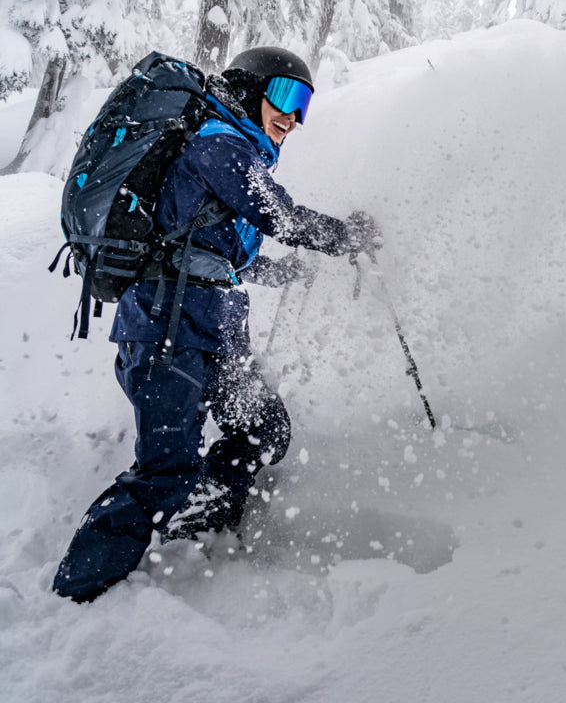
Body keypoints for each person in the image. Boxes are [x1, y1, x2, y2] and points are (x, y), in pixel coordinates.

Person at [52, 46, 379, 603]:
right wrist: (342, 236)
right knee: (166, 469)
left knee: (263, 430)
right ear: (251, 90)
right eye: (286, 95)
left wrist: (284, 272)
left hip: (213, 333)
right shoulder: (218, 143)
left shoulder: (232, 151)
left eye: (305, 105)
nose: (294, 117)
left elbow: (223, 252)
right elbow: (276, 213)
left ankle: (200, 523)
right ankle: (77, 593)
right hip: (166, 333)